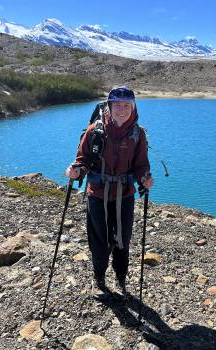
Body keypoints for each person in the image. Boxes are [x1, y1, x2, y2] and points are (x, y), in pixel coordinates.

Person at [65, 86, 153, 297]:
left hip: (125, 195)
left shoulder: (138, 134)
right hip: (97, 194)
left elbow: (141, 164)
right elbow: (83, 160)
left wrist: (144, 177)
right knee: (100, 240)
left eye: (126, 105)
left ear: (133, 107)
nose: (122, 109)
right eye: (117, 105)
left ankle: (121, 280)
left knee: (122, 240)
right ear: (109, 106)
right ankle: (99, 278)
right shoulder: (94, 132)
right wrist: (76, 171)